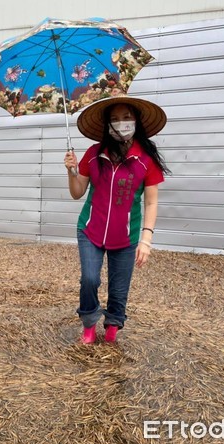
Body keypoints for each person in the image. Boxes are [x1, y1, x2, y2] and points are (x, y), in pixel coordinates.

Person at [64, 95, 170, 344]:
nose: (121, 123)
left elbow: (151, 202)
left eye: (126, 118)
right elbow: (77, 192)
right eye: (114, 119)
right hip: (90, 229)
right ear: (107, 126)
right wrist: (72, 172)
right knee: (89, 279)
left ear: (136, 121)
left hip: (126, 235)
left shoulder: (146, 159)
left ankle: (112, 327)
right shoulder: (93, 154)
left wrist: (146, 239)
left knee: (119, 287)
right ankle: (89, 324)